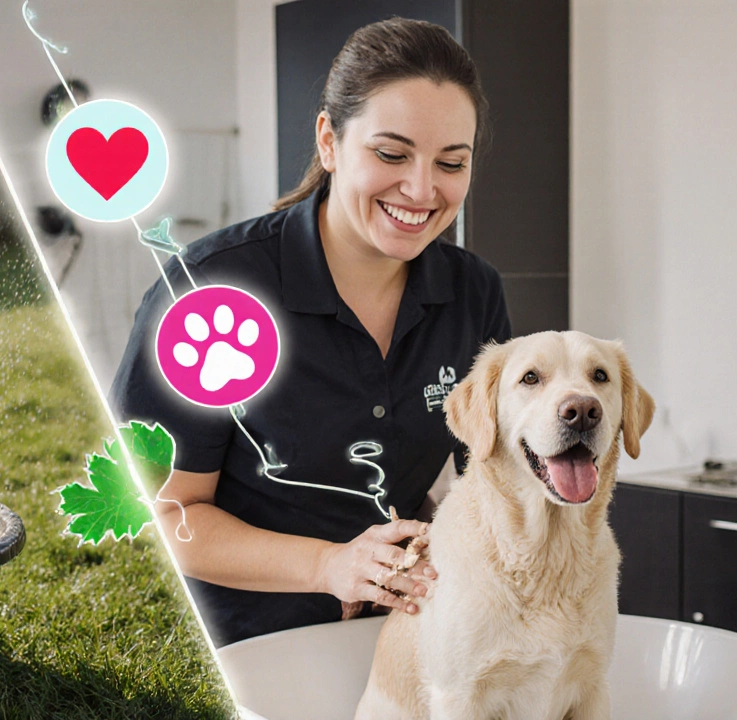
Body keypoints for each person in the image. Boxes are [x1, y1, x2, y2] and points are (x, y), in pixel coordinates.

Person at [110, 17, 512, 648]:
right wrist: (330, 566)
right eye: (390, 153)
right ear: (329, 140)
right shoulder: (209, 293)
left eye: (450, 163)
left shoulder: (474, 293)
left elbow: (494, 483)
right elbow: (164, 515)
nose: (421, 188)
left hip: (402, 640)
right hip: (246, 647)